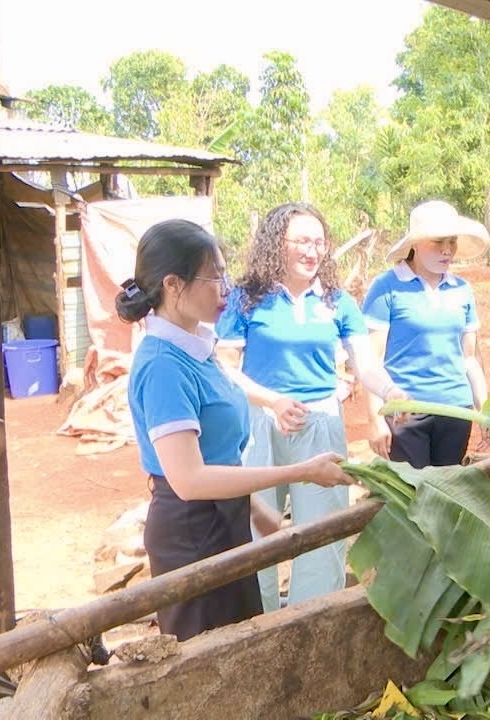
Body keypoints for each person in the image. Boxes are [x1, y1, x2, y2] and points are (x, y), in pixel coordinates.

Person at [117, 219, 350, 641]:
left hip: (225, 519)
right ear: (173, 285)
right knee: (206, 658)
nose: (225, 289)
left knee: (240, 648)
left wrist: (255, 511)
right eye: (213, 278)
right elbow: (189, 479)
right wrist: (301, 471)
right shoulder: (164, 365)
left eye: (225, 275)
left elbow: (219, 452)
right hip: (192, 533)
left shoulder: (198, 348)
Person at [215, 203, 404, 613]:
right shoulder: (247, 299)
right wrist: (272, 401)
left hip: (321, 425)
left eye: (319, 242)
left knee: (324, 535)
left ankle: (311, 622)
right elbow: (225, 366)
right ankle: (260, 625)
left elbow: (365, 363)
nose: (312, 251)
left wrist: (393, 392)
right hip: (261, 425)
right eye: (301, 241)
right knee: (257, 534)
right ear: (276, 244)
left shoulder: (338, 302)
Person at [362, 200, 490, 467]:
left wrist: (484, 409)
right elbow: (370, 361)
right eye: (438, 242)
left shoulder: (462, 290)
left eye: (452, 242)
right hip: (406, 411)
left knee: (446, 488)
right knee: (412, 489)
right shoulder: (387, 287)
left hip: (456, 409)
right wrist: (375, 419)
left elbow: (469, 358)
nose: (447, 250)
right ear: (415, 244)